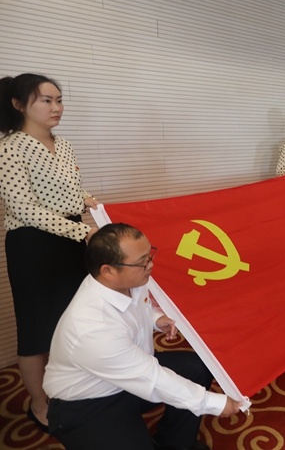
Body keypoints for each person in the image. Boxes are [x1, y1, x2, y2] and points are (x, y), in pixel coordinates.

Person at [43, 223, 241, 450]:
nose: (151, 265)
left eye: (149, 256)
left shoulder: (128, 281)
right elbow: (152, 379)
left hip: (132, 372)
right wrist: (214, 403)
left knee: (197, 369)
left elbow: (138, 309)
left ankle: (173, 444)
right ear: (108, 271)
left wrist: (156, 319)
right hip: (88, 402)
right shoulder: (92, 327)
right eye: (142, 262)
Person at [0, 73, 99, 432]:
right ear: (18, 104)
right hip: (33, 246)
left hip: (71, 241)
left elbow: (69, 189)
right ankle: (39, 406)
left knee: (72, 320)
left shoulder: (65, 144)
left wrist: (91, 201)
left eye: (59, 100)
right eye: (46, 100)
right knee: (36, 329)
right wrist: (83, 230)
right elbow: (24, 208)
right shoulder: (9, 148)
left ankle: (71, 389)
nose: (56, 107)